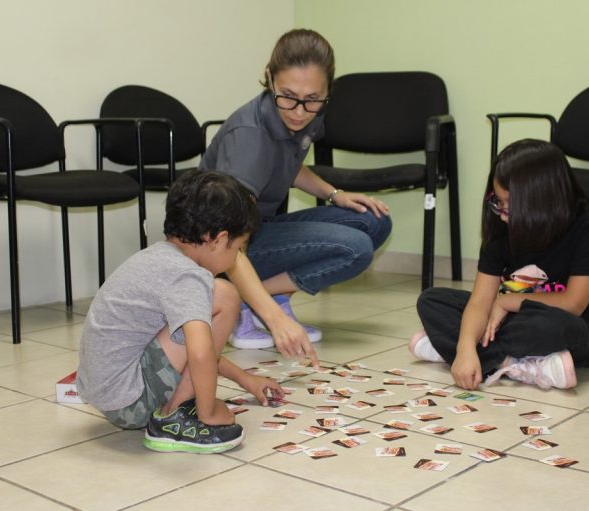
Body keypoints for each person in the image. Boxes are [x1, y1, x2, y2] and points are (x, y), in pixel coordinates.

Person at [77, 171, 317, 454]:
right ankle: (173, 418)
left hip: (111, 391)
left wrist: (245, 379)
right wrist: (208, 413)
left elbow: (185, 348)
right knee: (226, 296)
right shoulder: (188, 277)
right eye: (238, 248)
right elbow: (199, 352)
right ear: (217, 239)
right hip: (128, 401)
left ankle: (177, 407)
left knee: (216, 299)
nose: (236, 257)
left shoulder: (160, 257)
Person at [200, 28, 392, 349]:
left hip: (257, 228)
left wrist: (334, 195)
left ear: (326, 90)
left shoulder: (303, 108)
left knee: (375, 220)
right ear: (269, 78)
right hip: (217, 250)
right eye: (287, 96)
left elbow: (287, 163)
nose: (299, 111)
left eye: (312, 99)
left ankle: (262, 297)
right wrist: (276, 323)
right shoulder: (250, 138)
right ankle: (244, 304)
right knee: (356, 248)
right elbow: (230, 243)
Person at [409, 139, 589, 390]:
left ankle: (458, 350)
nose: (501, 212)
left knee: (549, 326)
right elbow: (480, 302)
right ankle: (516, 362)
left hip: (572, 327)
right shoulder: (500, 227)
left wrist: (506, 301)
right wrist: (464, 349)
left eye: (510, 203)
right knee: (431, 301)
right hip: (511, 323)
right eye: (498, 201)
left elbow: (573, 304)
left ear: (542, 200)